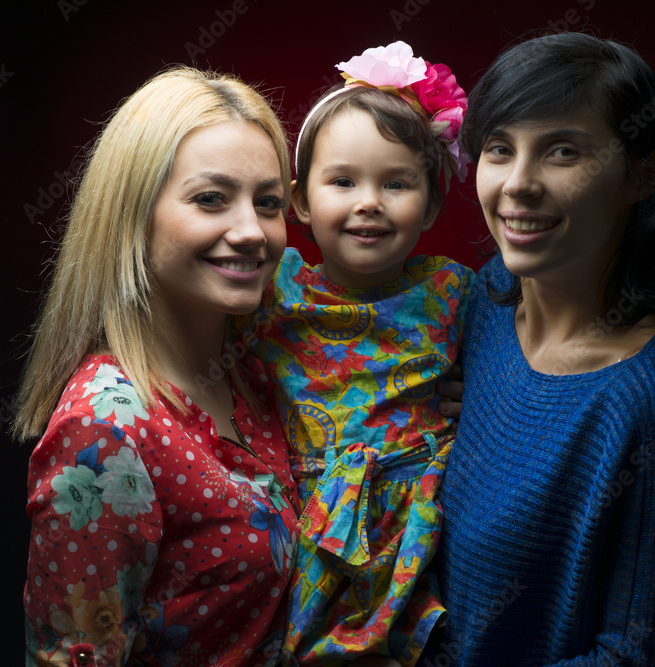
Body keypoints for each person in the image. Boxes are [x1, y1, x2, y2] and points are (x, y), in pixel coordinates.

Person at [431, 32, 655, 666]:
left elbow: (639, 658)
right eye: (499, 149)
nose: (518, 184)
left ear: (643, 173)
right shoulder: (477, 304)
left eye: (561, 152)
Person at [13, 67, 301, 666]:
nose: (251, 231)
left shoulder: (263, 370)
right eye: (210, 199)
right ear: (132, 215)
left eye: (268, 202)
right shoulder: (106, 428)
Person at [239, 42, 474, 667]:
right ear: (300, 202)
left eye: (396, 183)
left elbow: (517, 373)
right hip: (310, 523)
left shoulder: (452, 292)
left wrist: (469, 397)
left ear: (431, 204)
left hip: (420, 519)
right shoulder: (273, 287)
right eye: (343, 181)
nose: (368, 200)